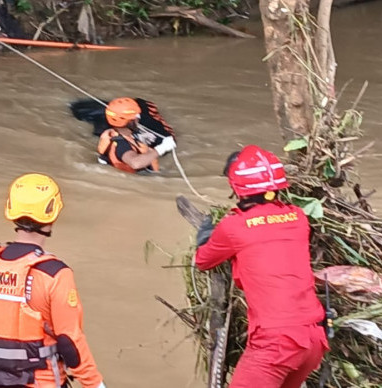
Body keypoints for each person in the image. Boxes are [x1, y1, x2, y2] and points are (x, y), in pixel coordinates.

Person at [194, 145, 329, 388]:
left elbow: (203, 261)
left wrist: (205, 237)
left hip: (276, 343)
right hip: (314, 339)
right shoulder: (298, 218)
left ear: (237, 188)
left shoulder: (234, 226)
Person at [0, 173, 106, 388]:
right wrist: (95, 384)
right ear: (52, 213)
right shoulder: (56, 273)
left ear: (11, 210)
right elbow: (70, 341)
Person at [96, 97, 176, 173]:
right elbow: (135, 163)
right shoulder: (121, 145)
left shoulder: (113, 133)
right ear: (130, 121)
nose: (138, 119)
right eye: (137, 116)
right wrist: (162, 148)